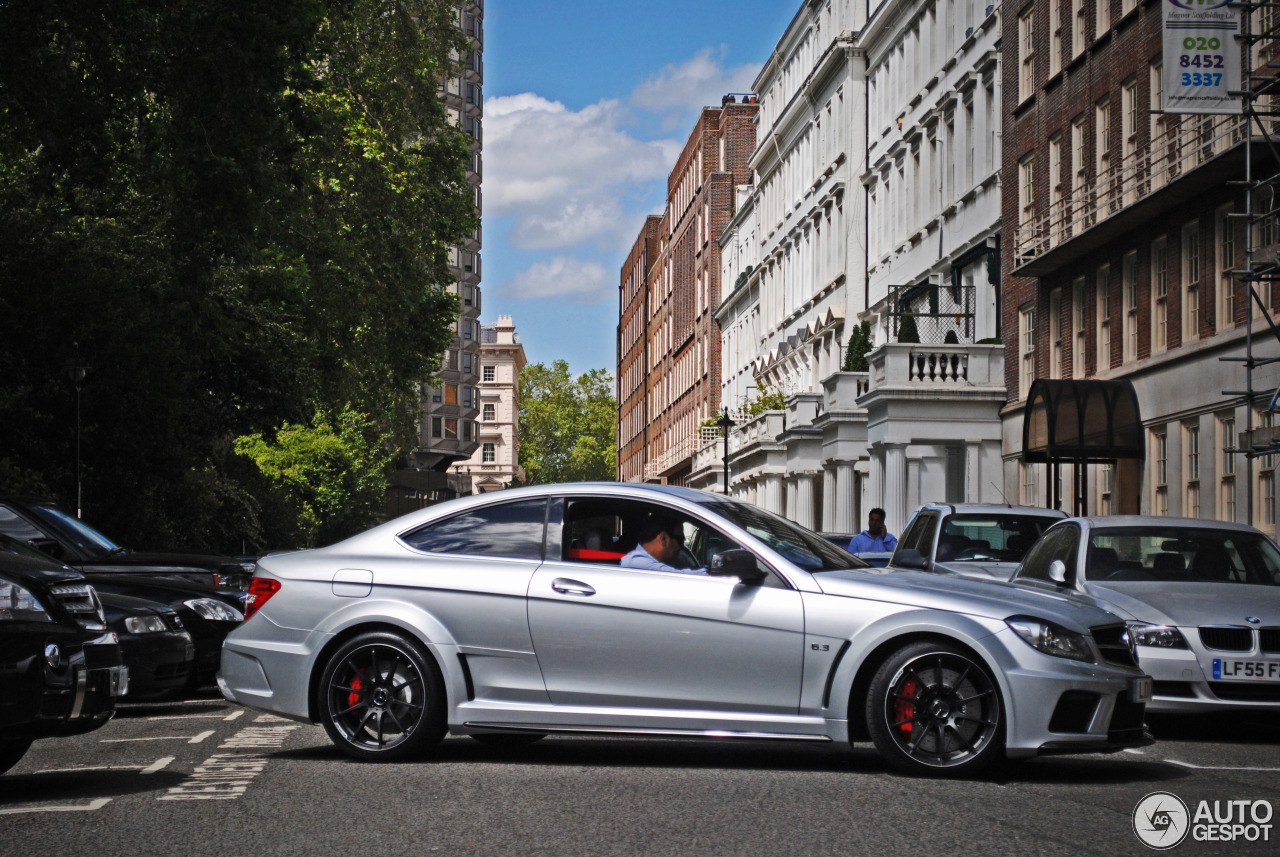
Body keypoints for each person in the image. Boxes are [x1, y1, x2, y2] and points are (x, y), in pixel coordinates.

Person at [620, 515, 708, 575]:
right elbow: (679, 576)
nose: (682, 548)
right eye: (680, 540)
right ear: (663, 539)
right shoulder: (637, 563)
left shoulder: (647, 561)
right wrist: (713, 571)